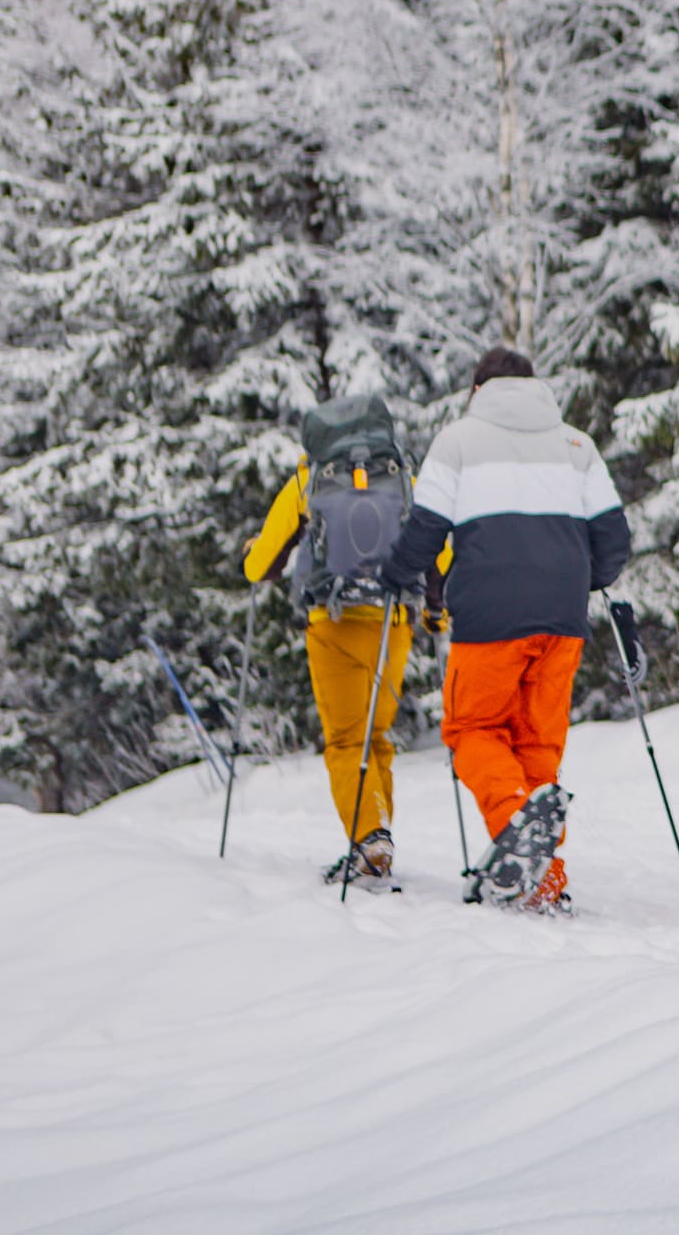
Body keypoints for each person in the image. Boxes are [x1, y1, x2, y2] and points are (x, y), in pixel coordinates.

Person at [379, 347, 631, 911]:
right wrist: (573, 580)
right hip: (563, 619)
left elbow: (426, 530)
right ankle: (544, 878)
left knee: (471, 730)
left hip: (490, 616)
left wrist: (394, 575)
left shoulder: (458, 440)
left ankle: (513, 824)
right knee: (537, 743)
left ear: (477, 391)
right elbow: (614, 543)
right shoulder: (576, 444)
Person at [242, 394, 448, 886]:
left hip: (332, 621)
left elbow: (258, 567)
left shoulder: (307, 481)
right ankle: (376, 837)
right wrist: (435, 615)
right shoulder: (402, 479)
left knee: (343, 740)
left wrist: (253, 550)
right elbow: (439, 552)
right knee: (376, 737)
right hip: (393, 621)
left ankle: (369, 838)